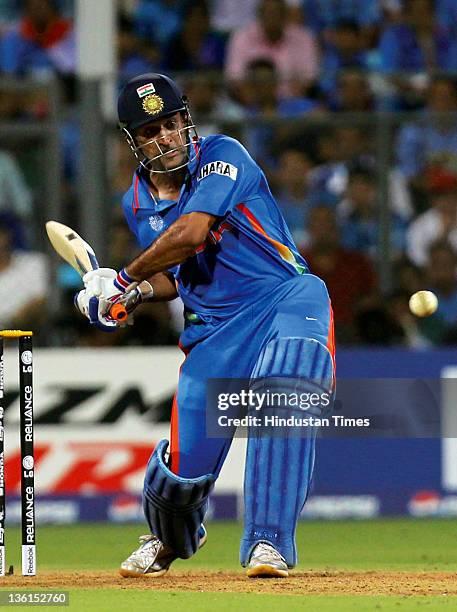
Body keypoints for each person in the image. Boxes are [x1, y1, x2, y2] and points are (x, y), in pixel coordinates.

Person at [75, 73, 335, 578]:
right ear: (134, 142)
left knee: (284, 387)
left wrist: (126, 275)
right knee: (179, 478)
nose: (166, 138)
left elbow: (191, 234)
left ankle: (268, 542)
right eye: (150, 132)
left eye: (171, 124)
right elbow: (177, 275)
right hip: (214, 332)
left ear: (186, 121)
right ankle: (166, 542)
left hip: (282, 299)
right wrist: (127, 298)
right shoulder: (136, 204)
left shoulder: (223, 156)